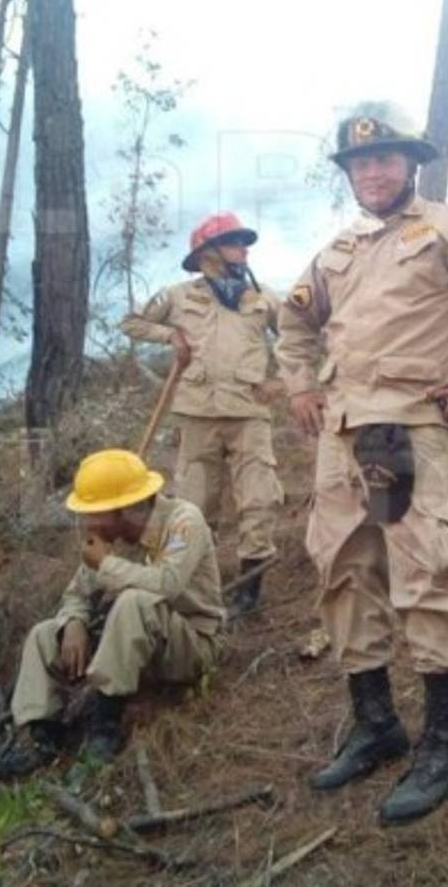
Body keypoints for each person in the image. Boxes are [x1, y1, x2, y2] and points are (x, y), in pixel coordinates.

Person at [276, 101, 448, 824]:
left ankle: (443, 747)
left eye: (386, 158)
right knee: (341, 568)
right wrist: (299, 384)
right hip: (340, 434)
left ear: (410, 164)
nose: (373, 170)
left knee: (422, 573)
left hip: (401, 431)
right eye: (361, 162)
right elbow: (293, 322)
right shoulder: (336, 252)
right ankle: (376, 725)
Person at [0, 449, 225, 782]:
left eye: (94, 513)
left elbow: (168, 584)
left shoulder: (183, 521)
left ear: (123, 510)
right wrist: (73, 622)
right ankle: (43, 739)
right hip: (138, 649)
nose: (87, 523)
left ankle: (104, 728)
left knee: (135, 601)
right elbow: (76, 594)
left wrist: (106, 565)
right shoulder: (113, 538)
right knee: (45, 633)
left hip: (190, 647)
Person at [121, 212, 283, 617]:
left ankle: (249, 593)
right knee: (194, 506)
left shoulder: (264, 299)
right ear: (208, 253)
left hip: (249, 414)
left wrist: (283, 383)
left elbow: (301, 337)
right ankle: (199, 590)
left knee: (259, 501)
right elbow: (131, 322)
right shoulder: (178, 297)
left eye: (245, 243)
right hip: (197, 415)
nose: (244, 250)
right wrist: (170, 334)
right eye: (235, 242)